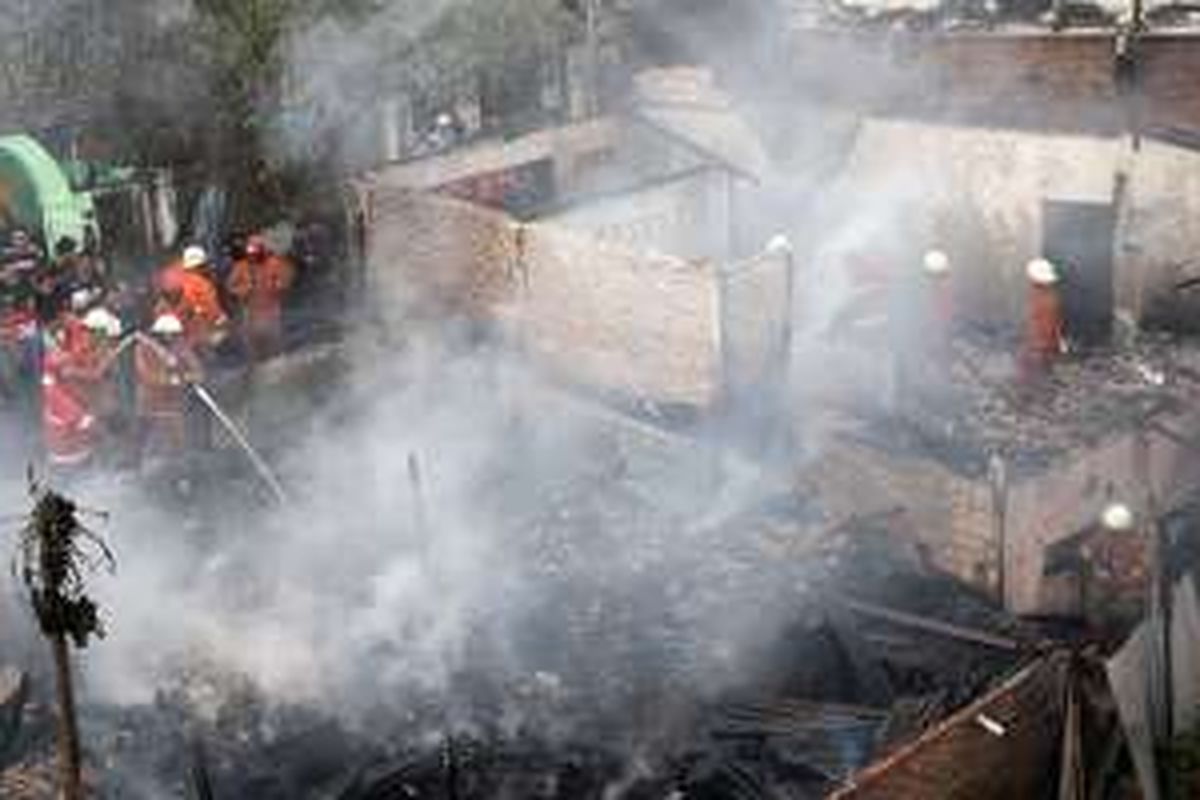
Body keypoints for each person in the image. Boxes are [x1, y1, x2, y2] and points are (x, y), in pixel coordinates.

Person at [136, 314, 201, 459]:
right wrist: (173, 381)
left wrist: (191, 376)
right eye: (168, 334)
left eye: (174, 334)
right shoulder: (143, 348)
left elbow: (197, 370)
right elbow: (147, 376)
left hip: (172, 402)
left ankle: (179, 467)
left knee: (177, 438)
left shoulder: (180, 346)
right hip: (149, 401)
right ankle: (136, 462)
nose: (171, 337)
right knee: (143, 435)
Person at [227, 234, 295, 360]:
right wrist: (243, 290)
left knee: (273, 337)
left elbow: (287, 277)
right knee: (251, 338)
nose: (252, 257)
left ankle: (276, 360)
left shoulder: (274, 263)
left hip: (271, 307)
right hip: (250, 309)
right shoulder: (241, 266)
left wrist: (279, 285)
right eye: (250, 254)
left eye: (256, 253)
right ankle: (255, 364)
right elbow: (231, 286)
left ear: (262, 250)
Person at [156, 245, 229, 356]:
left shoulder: (169, 275)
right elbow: (210, 308)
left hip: (182, 336)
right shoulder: (200, 284)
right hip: (191, 334)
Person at [1021, 257, 1066, 381]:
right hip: (1040, 342)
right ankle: (1041, 377)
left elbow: (1053, 321)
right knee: (1039, 364)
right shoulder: (1046, 296)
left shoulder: (1046, 296)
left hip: (1041, 342)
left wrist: (1057, 340)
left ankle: (1041, 378)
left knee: (1040, 364)